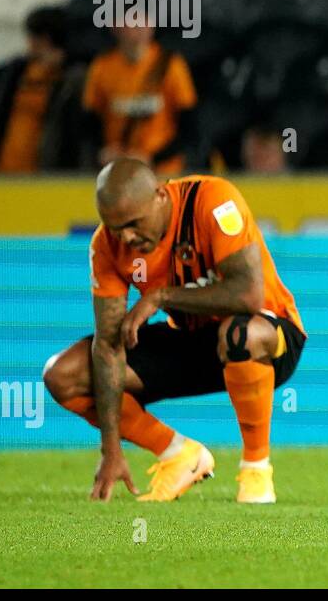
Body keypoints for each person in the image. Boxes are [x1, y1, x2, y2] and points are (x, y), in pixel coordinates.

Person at [41, 159, 306, 504]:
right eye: (115, 227)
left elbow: (248, 295)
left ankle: (256, 469)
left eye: (134, 224)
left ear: (160, 196)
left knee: (240, 334)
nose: (127, 238)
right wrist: (110, 449)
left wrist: (161, 296)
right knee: (63, 375)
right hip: (193, 343)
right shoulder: (106, 246)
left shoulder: (212, 201)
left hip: (268, 335)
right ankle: (178, 454)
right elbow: (107, 348)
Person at [0, 6, 90, 172]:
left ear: (45, 39)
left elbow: (78, 134)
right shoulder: (11, 73)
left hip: (43, 177)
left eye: (33, 37)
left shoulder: (73, 79)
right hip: (1, 172)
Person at [81, 17, 197, 175]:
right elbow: (89, 121)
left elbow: (188, 124)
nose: (137, 30)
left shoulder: (170, 65)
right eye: (130, 23)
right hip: (118, 170)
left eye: (142, 22)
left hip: (163, 169)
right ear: (116, 27)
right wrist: (102, 151)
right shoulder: (102, 67)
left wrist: (153, 158)